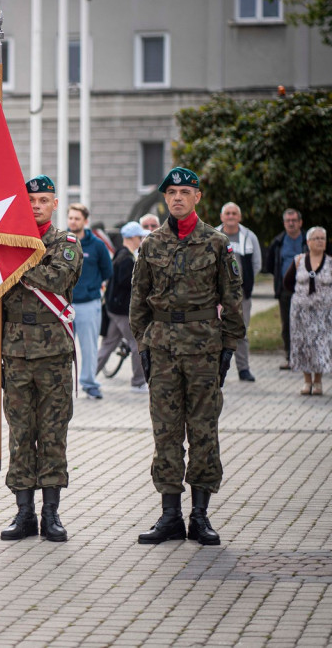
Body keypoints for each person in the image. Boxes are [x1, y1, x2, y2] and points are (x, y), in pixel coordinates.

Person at [130, 167, 244, 546]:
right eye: (171, 192)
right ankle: (169, 517)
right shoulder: (151, 244)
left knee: (203, 432)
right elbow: (138, 301)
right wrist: (144, 345)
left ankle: (200, 516)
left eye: (184, 191)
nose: (177, 197)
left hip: (203, 349)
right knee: (165, 433)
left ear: (197, 196)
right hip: (162, 350)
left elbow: (232, 299)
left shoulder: (216, 243)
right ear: (165, 198)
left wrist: (228, 349)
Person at [0, 175, 82, 543]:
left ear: (55, 204)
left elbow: (55, 279)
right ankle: (23, 513)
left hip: (54, 353)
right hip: (16, 354)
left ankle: (51, 514)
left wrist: (16, 260)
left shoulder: (66, 243)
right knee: (21, 434)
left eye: (43, 200)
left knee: (53, 434)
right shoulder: (5, 247)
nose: (37, 205)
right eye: (31, 201)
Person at [97, 222, 150, 392]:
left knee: (108, 345)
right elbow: (130, 284)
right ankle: (138, 382)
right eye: (140, 237)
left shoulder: (120, 253)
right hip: (122, 311)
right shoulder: (126, 259)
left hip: (113, 308)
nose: (141, 240)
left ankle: (87, 377)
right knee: (137, 344)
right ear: (133, 238)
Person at [68, 202, 112, 399]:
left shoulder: (97, 245)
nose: (73, 221)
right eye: (70, 218)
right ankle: (62, 385)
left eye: (77, 218)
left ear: (85, 221)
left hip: (88, 304)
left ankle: (89, 383)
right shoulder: (63, 242)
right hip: (64, 305)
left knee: (89, 347)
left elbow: (107, 271)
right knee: (63, 348)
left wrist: (91, 288)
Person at [284, 227, 331, 396]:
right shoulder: (298, 260)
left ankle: (318, 382)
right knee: (302, 345)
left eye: (322, 238)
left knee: (320, 345)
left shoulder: (330, 262)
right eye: (316, 238)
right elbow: (288, 282)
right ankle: (307, 381)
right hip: (300, 314)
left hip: (323, 315)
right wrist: (301, 298)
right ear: (308, 242)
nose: (320, 241)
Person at [220, 203, 262, 382]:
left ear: (239, 217)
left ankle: (243, 369)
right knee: (215, 332)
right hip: (217, 296)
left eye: (234, 213)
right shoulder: (214, 235)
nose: (230, 216)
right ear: (222, 217)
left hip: (241, 295)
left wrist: (243, 285)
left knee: (241, 332)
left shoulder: (249, 236)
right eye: (227, 213)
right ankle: (215, 369)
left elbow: (256, 264)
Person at [263, 208, 306, 370]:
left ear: (300, 222)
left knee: (306, 324)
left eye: (294, 220)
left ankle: (305, 358)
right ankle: (290, 357)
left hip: (306, 289)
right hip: (285, 289)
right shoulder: (279, 242)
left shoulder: (307, 240)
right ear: (284, 223)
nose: (291, 223)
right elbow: (270, 265)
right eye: (288, 221)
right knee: (287, 324)